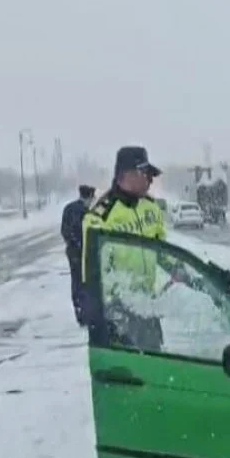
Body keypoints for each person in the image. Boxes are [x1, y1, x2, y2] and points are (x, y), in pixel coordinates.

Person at [81, 146, 170, 350]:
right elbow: (95, 278)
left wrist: (182, 271)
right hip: (119, 318)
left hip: (148, 309)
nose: (150, 180)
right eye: (145, 174)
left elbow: (163, 251)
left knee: (156, 369)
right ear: (127, 175)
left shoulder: (151, 208)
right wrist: (110, 319)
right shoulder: (100, 217)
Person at [61, 184, 96, 325]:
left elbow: (64, 230)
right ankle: (86, 313)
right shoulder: (87, 212)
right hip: (84, 252)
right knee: (86, 283)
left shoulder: (68, 208)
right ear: (89, 197)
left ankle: (80, 312)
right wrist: (82, 245)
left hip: (72, 252)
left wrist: (72, 243)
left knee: (76, 282)